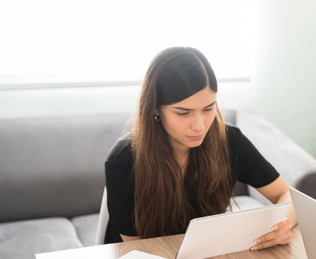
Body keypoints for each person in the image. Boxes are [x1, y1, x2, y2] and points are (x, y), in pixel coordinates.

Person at [105, 47, 296, 247]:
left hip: (205, 257)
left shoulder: (229, 141)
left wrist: (284, 224)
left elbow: (286, 194)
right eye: (183, 112)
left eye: (208, 109)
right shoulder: (123, 160)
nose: (200, 126)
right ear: (155, 108)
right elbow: (134, 248)